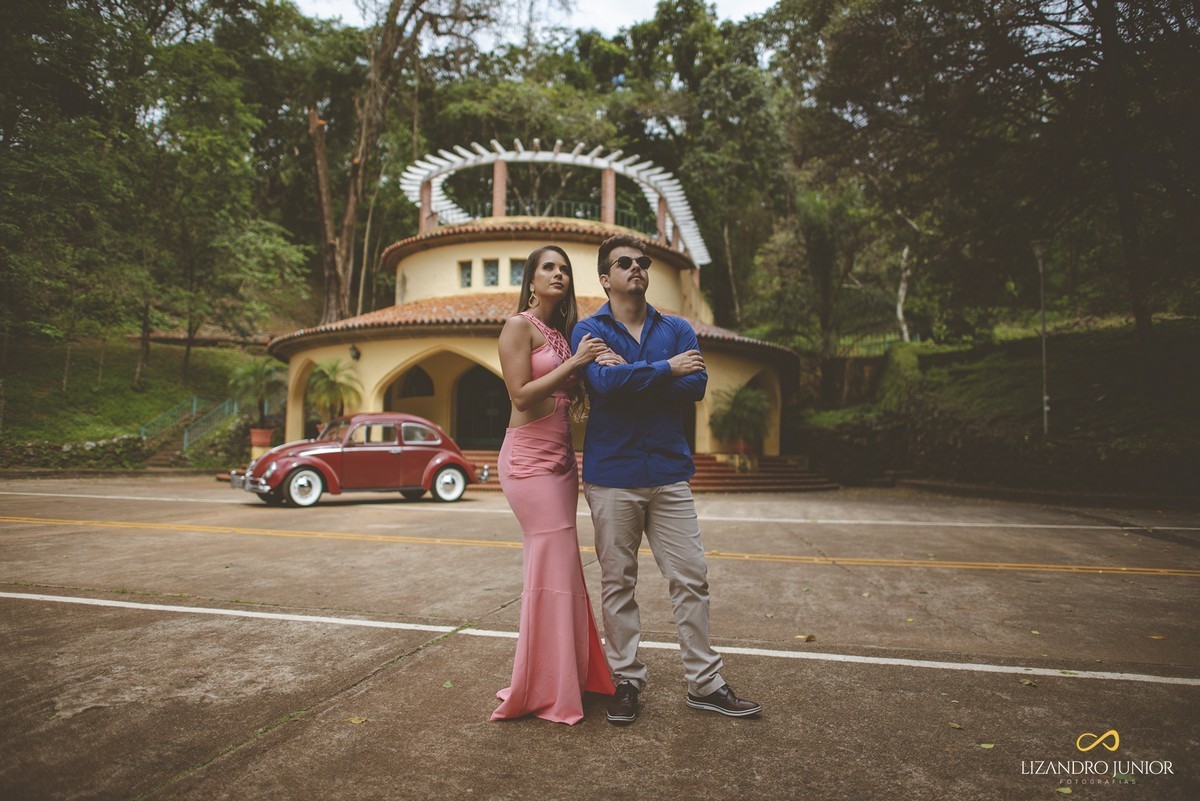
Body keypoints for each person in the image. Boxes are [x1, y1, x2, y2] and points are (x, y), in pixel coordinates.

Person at [571, 233, 762, 725]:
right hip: (612, 475)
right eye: (624, 263)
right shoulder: (589, 332)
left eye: (642, 262)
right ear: (605, 277)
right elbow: (603, 386)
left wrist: (641, 372)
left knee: (691, 578)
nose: (636, 268)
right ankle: (626, 680)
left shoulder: (676, 327)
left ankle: (704, 682)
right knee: (618, 583)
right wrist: (664, 371)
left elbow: (696, 384)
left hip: (669, 473)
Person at [490, 245, 618, 725]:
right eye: (549, 267)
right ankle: (544, 686)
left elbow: (574, 384)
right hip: (527, 463)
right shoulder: (517, 326)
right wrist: (576, 361)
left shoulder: (563, 336)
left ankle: (575, 675)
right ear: (532, 279)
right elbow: (520, 396)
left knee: (565, 572)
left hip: (563, 465)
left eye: (565, 269)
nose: (559, 274)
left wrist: (599, 358)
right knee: (551, 568)